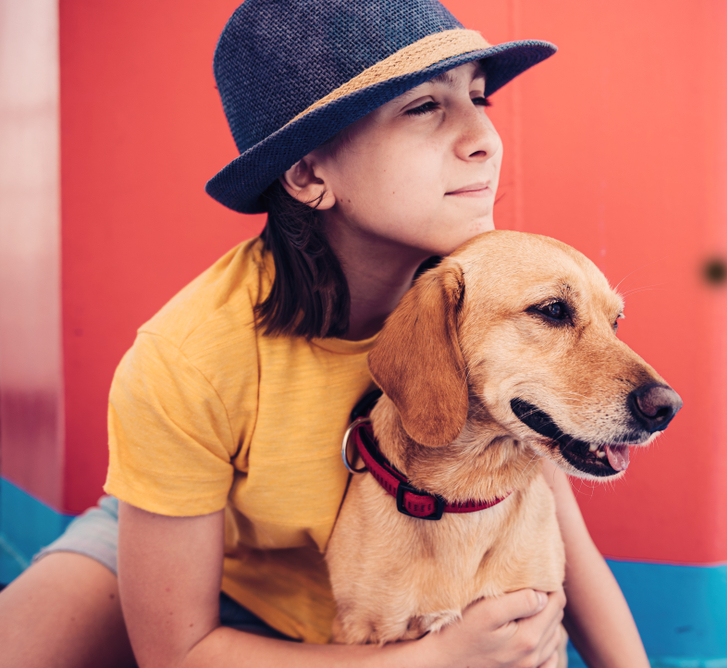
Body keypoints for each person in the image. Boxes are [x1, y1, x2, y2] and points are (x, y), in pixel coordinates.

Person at [0, 1, 651, 666]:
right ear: (311, 174)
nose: (484, 135)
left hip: (399, 582)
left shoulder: (494, 298)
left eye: (478, 96)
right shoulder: (187, 359)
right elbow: (178, 650)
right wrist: (432, 660)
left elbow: (567, 542)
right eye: (424, 107)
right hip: (204, 556)